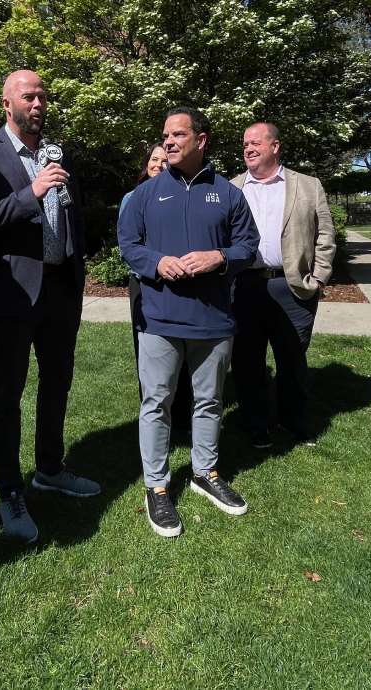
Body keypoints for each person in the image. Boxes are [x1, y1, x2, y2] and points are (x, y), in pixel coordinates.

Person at [0, 70, 100, 544]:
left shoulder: (57, 154)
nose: (38, 102)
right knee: (9, 391)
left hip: (61, 286)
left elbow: (73, 213)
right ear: (7, 103)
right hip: (15, 294)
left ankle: (51, 468)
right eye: (29, 95)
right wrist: (31, 192)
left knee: (57, 382)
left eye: (43, 95)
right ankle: (9, 490)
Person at [118, 106, 260, 538]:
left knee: (210, 401)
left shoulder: (229, 194)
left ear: (202, 140)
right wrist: (157, 262)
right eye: (166, 136)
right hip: (159, 319)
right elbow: (128, 245)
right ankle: (157, 486)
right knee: (156, 403)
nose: (170, 142)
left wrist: (220, 257)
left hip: (214, 321)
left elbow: (248, 245)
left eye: (179, 134)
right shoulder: (145, 194)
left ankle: (205, 472)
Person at [230, 122, 336, 449]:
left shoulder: (307, 185)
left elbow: (325, 235)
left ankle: (294, 422)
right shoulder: (231, 188)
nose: (248, 148)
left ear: (275, 146)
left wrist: (318, 277)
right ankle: (256, 424)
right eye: (245, 143)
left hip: (292, 287)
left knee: (292, 359)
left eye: (255, 143)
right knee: (247, 361)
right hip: (245, 287)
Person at [121, 144, 193, 430]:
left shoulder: (181, 195)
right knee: (148, 350)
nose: (159, 164)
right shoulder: (133, 197)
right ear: (146, 163)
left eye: (164, 160)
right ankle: (154, 415)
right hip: (144, 283)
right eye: (154, 159)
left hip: (180, 281)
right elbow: (128, 244)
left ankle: (182, 412)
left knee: (184, 348)